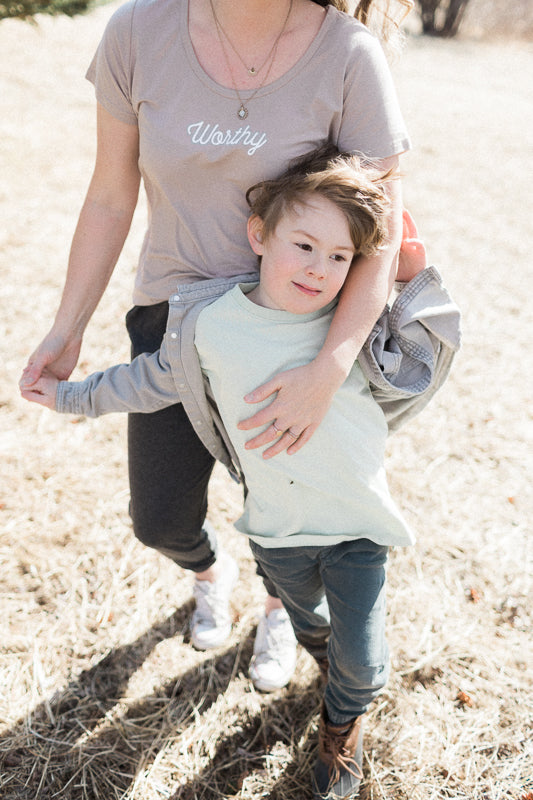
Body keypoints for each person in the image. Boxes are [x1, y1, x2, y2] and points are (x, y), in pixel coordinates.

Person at [21, 147, 461, 799]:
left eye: (339, 257)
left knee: (362, 664)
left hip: (357, 530)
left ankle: (342, 724)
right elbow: (146, 382)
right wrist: (69, 396)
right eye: (304, 245)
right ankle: (304, 641)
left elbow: (428, 344)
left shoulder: (352, 330)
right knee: (310, 624)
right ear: (259, 234)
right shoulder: (211, 325)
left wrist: (413, 274)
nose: (319, 269)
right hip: (274, 530)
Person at [19, 0, 414, 688]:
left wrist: (328, 366)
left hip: (294, 334)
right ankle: (208, 570)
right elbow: (111, 195)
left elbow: (380, 239)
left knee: (293, 519)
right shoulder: (137, 32)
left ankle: (277, 606)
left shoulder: (349, 57)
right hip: (172, 322)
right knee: (159, 518)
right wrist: (67, 326)